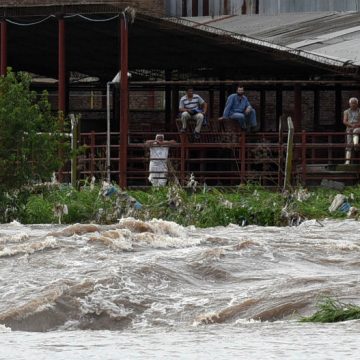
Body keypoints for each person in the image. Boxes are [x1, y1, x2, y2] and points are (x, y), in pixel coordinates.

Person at [343, 97, 360, 164]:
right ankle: (347, 160)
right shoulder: (346, 112)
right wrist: (351, 125)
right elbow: (344, 121)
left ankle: (355, 144)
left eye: (355, 103)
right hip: (349, 127)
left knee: (356, 130)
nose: (353, 104)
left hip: (358, 127)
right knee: (348, 144)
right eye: (352, 103)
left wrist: (356, 125)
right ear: (349, 104)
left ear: (357, 104)